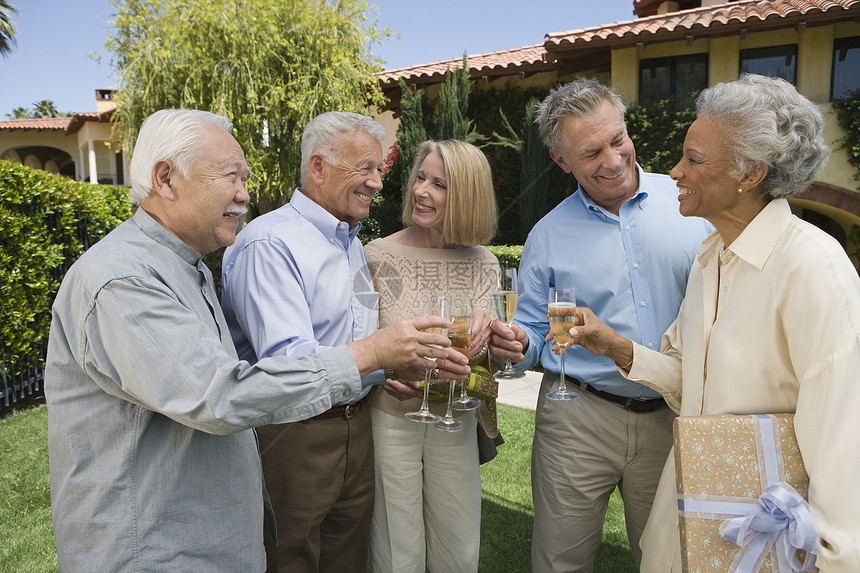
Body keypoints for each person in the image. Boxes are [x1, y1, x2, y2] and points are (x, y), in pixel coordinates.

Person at [44, 109, 465, 572]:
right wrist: (371, 353)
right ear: (166, 179)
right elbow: (220, 394)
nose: (246, 196)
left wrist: (383, 366)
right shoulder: (122, 281)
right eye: (232, 178)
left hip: (201, 531)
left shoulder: (186, 267)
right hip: (153, 549)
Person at [568, 74, 860, 572]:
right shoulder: (711, 257)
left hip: (767, 540)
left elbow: (844, 446)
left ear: (751, 173)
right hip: (692, 513)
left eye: (694, 159)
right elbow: (690, 384)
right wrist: (616, 346)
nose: (675, 171)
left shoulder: (814, 268)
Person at [221, 112, 468, 572]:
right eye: (366, 169)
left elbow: (345, 344)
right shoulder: (270, 242)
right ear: (318, 167)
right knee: (290, 556)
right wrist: (380, 353)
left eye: (380, 169)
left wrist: (396, 367)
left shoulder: (349, 239)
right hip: (293, 433)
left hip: (357, 425)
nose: (378, 183)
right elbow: (289, 367)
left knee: (347, 557)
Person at [488, 78, 712, 572]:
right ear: (561, 160)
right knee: (560, 561)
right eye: (591, 152)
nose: (611, 161)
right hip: (578, 419)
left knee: (671, 560)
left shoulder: (692, 207)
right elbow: (530, 334)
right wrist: (516, 340)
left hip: (674, 412)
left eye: (617, 141)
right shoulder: (547, 236)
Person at [363, 139, 501, 573]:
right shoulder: (376, 255)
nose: (421, 191)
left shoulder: (483, 262)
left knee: (458, 551)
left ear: (466, 195)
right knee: (397, 552)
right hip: (391, 416)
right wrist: (383, 368)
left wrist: (487, 337)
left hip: (456, 418)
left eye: (439, 184)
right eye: (420, 178)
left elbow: (482, 355)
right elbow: (361, 340)